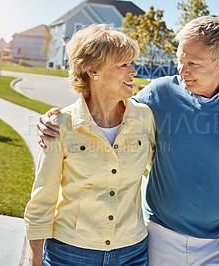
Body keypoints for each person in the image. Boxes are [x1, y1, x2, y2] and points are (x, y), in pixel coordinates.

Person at [37, 16, 219, 266]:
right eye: (180, 60)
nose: (181, 70)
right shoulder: (158, 93)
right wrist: (53, 120)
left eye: (193, 63)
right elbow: (105, 105)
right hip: (159, 237)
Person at [24, 24, 156, 266]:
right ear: (93, 71)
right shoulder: (60, 125)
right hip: (69, 254)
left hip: (132, 254)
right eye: (123, 64)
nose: (133, 70)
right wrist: (34, 259)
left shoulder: (145, 117)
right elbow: (43, 198)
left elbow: (167, 171)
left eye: (132, 63)